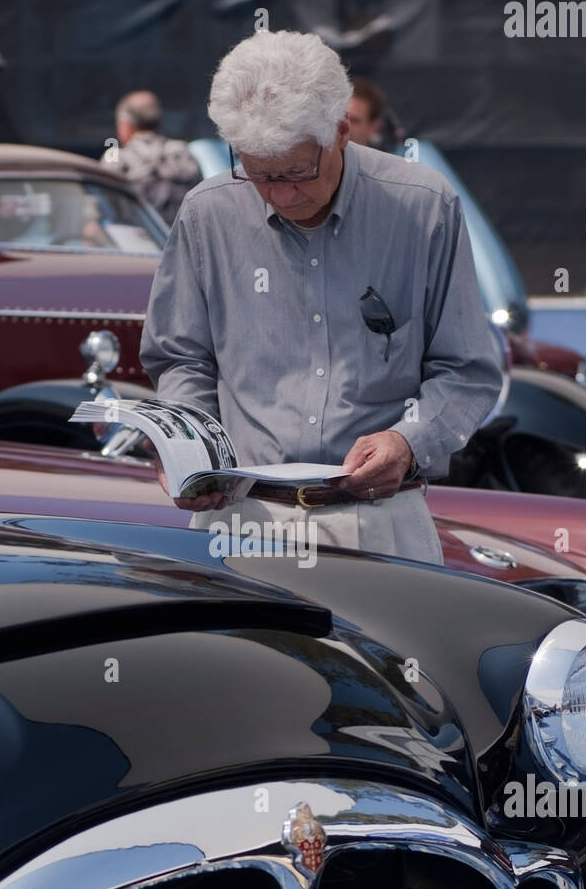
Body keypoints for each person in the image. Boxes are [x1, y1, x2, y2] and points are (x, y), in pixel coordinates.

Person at [139, 31, 502, 563]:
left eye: (296, 171)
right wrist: (189, 447)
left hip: (380, 522)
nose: (282, 194)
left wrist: (407, 442)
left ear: (342, 131)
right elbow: (181, 358)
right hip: (239, 521)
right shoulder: (207, 213)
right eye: (259, 174)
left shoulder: (423, 208)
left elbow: (468, 369)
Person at [101, 90, 201, 227]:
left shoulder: (116, 158)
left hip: (136, 244)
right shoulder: (182, 153)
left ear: (125, 125)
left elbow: (100, 211)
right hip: (183, 241)